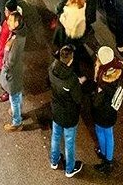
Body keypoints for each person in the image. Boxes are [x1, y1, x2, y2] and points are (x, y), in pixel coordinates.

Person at [48, 46, 86, 176]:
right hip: (69, 115)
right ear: (70, 60)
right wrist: (79, 83)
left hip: (56, 110)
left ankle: (54, 161)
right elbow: (78, 98)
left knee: (55, 136)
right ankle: (69, 169)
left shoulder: (52, 69)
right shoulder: (72, 80)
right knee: (69, 142)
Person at [90, 53, 123, 175]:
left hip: (102, 114)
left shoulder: (102, 84)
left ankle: (106, 160)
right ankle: (107, 158)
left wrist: (96, 90)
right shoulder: (119, 71)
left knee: (101, 132)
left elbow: (95, 103)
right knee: (109, 134)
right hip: (112, 112)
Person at [0, 8, 27, 131]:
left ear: (17, 23)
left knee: (14, 97)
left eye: (11, 20)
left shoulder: (16, 41)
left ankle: (16, 122)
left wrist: (5, 68)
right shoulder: (19, 33)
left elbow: (10, 61)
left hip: (12, 73)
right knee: (18, 94)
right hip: (17, 71)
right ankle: (18, 113)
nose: (8, 21)